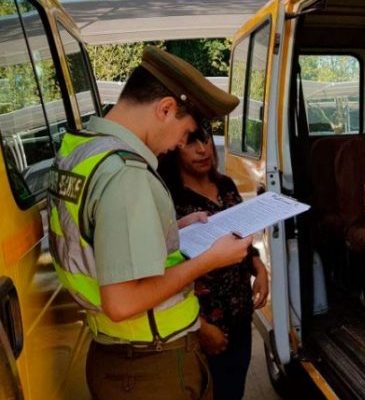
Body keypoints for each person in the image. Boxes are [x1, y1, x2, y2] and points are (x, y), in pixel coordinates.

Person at [47, 46, 253, 400]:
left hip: (117, 355)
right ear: (166, 109)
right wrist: (209, 260)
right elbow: (123, 302)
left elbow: (98, 241)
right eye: (186, 132)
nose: (180, 144)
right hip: (149, 366)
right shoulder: (127, 175)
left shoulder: (80, 151)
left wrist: (173, 228)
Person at [158, 126, 269, 400]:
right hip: (202, 326)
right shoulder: (168, 201)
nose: (203, 149)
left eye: (205, 140)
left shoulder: (226, 186)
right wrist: (201, 327)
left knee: (234, 391)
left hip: (240, 316)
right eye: (191, 143)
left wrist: (259, 269)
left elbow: (242, 236)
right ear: (173, 148)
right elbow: (163, 274)